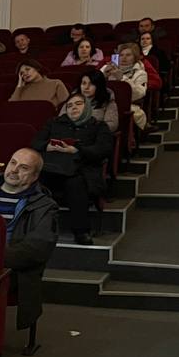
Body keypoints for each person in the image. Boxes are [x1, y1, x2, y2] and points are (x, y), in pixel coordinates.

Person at [0, 148, 59, 335]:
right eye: (13, 163)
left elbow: (37, 248)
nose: (14, 170)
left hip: (12, 269)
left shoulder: (45, 206)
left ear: (35, 176)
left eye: (23, 168)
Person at [32, 92, 113, 245]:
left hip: (82, 169)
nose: (73, 108)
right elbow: (35, 142)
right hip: (53, 168)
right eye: (69, 105)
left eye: (78, 104)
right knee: (34, 179)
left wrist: (77, 150)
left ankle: (81, 231)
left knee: (75, 183)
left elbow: (104, 150)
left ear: (87, 107)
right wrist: (47, 146)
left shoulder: (98, 126)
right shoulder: (54, 123)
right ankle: (34, 229)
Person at [111, 42, 150, 131]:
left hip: (128, 104)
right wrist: (103, 74)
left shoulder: (140, 73)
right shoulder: (110, 69)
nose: (124, 58)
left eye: (128, 55)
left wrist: (122, 78)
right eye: (121, 55)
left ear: (135, 57)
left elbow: (139, 94)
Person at [71, 69, 119, 134]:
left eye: (91, 84)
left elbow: (112, 125)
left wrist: (90, 129)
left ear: (99, 86)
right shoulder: (72, 99)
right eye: (84, 83)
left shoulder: (108, 101)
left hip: (93, 136)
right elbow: (61, 119)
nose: (86, 87)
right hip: (69, 134)